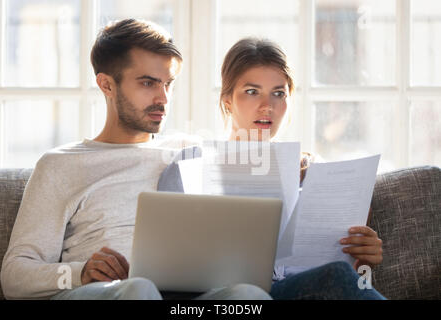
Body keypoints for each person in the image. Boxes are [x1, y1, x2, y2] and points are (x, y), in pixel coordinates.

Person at [0, 19, 271, 301]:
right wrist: (81, 272)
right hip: (104, 293)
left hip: (184, 297)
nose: (163, 98)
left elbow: (249, 160)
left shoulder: (190, 151)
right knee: (139, 289)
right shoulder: (61, 165)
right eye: (148, 83)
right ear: (106, 85)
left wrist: (298, 163)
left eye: (168, 84)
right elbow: (15, 276)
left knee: (248, 295)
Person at [158, 38, 385, 300]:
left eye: (279, 93)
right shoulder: (191, 163)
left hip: (302, 291)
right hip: (225, 297)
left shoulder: (314, 170)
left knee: (340, 277)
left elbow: (351, 275)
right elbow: (165, 265)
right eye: (252, 92)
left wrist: (364, 259)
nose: (268, 105)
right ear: (227, 100)